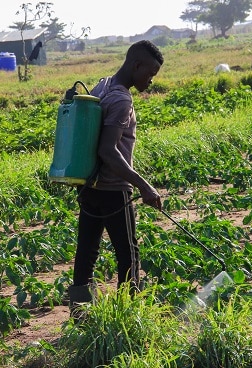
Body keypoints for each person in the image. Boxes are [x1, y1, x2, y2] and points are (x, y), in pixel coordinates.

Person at [68, 40, 164, 312]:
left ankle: (80, 314)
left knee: (86, 253)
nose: (150, 81)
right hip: (114, 189)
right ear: (136, 66)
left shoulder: (103, 85)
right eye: (150, 74)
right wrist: (144, 186)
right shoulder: (122, 99)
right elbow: (108, 150)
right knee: (129, 255)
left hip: (89, 185)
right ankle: (129, 316)